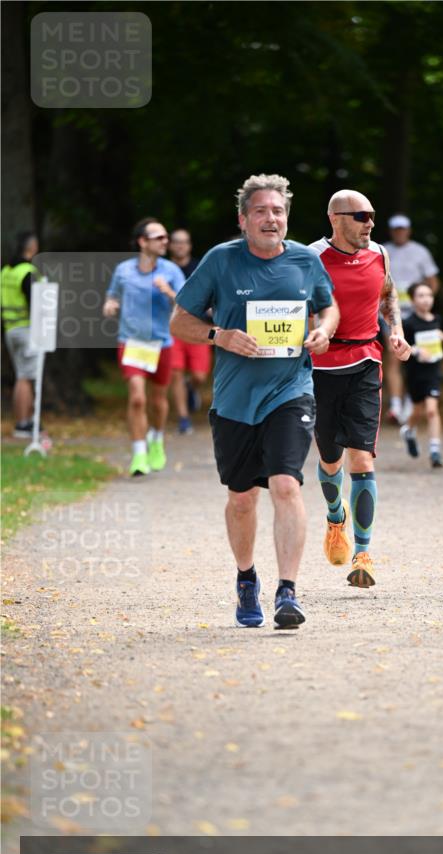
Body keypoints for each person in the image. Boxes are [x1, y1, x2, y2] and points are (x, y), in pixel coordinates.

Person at [171, 173, 338, 629]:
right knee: (242, 498)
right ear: (243, 219)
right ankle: (247, 579)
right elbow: (179, 321)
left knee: (286, 485)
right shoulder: (221, 261)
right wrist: (218, 336)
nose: (271, 219)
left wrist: (323, 330)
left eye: (278, 211)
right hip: (235, 400)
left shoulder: (305, 260)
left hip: (291, 390)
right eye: (261, 211)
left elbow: (328, 306)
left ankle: (288, 591)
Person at [309, 190, 411, 588]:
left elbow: (387, 293)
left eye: (372, 215)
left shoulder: (380, 254)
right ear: (336, 218)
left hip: (366, 363)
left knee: (362, 460)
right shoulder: (311, 258)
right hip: (320, 368)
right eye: (361, 216)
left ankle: (363, 553)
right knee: (330, 459)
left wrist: (396, 331)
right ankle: (336, 517)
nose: (370, 222)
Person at [103, 218, 185, 476]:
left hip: (161, 343)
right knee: (137, 398)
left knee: (159, 401)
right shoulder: (124, 270)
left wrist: (169, 291)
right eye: (159, 237)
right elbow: (112, 294)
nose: (165, 241)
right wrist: (110, 305)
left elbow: (186, 305)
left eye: (165, 237)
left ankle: (156, 438)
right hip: (132, 342)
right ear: (142, 241)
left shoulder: (171, 271)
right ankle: (139, 454)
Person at [383, 214, 439, 424]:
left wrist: (424, 302)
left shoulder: (420, 251)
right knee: (393, 353)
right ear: (391, 231)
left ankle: (410, 401)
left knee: (415, 356)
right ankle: (396, 404)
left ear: (409, 230)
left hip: (414, 314)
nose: (399, 232)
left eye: (403, 228)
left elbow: (433, 280)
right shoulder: (382, 249)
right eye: (396, 229)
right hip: (390, 313)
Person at [400, 281, 443, 468]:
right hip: (416, 373)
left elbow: (436, 331)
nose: (426, 300)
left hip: (433, 371)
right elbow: (402, 347)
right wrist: (416, 351)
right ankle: (408, 430)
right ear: (412, 299)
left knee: (432, 410)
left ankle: (435, 452)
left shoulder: (435, 319)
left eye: (429, 295)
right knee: (417, 411)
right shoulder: (408, 323)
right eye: (421, 296)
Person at [168, 228, 208, 433]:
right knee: (175, 373)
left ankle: (191, 388)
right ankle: (184, 419)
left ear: (189, 246)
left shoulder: (199, 267)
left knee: (199, 375)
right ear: (170, 245)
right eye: (176, 241)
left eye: (184, 242)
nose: (180, 245)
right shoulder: (163, 269)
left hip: (197, 327)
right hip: (172, 328)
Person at [1, 231, 41, 438]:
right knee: (26, 377)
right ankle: (24, 423)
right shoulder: (27, 271)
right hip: (26, 330)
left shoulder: (6, 271)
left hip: (10, 329)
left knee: (21, 375)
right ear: (32, 247)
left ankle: (24, 421)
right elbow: (36, 303)